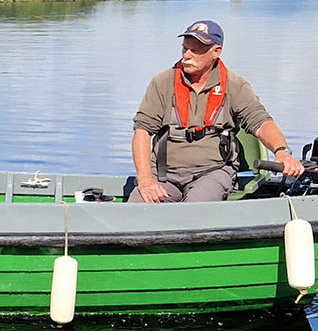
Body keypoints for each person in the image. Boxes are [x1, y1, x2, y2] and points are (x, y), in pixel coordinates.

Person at [130, 20, 304, 203]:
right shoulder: (162, 82)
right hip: (164, 174)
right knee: (136, 210)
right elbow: (142, 131)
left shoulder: (235, 85)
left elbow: (260, 122)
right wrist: (145, 179)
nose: (186, 56)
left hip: (211, 172)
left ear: (216, 51)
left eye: (195, 51)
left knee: (197, 207)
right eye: (184, 49)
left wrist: (282, 151)